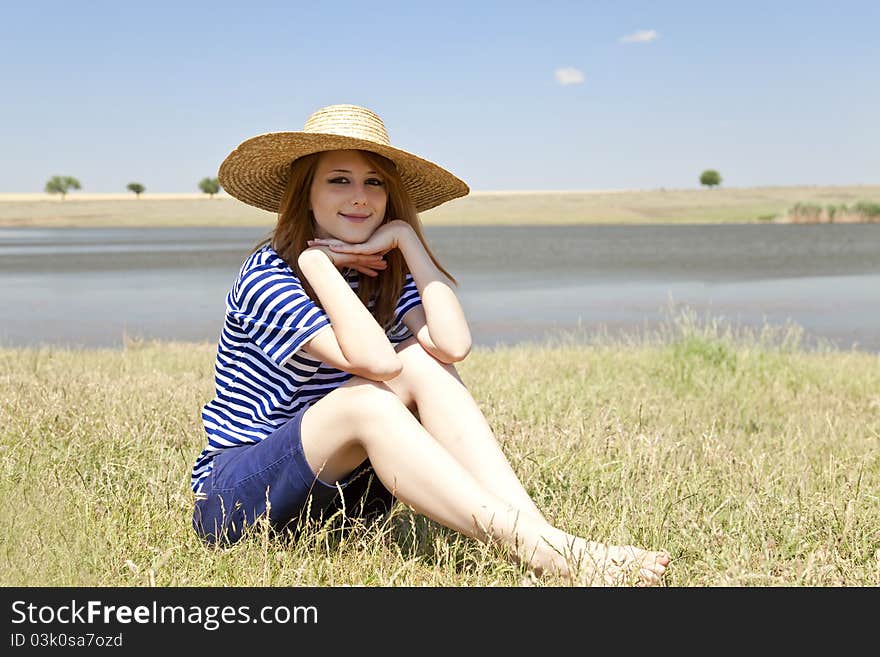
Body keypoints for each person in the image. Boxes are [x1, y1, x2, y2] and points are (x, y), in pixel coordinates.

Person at [190, 103, 670, 586]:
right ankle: (543, 551)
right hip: (238, 501)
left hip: (338, 503)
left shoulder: (378, 270)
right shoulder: (268, 274)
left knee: (422, 360)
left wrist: (405, 238)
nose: (360, 198)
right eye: (339, 180)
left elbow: (452, 344)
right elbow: (374, 361)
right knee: (368, 400)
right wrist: (316, 264)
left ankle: (539, 534)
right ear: (305, 195)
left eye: (374, 182)